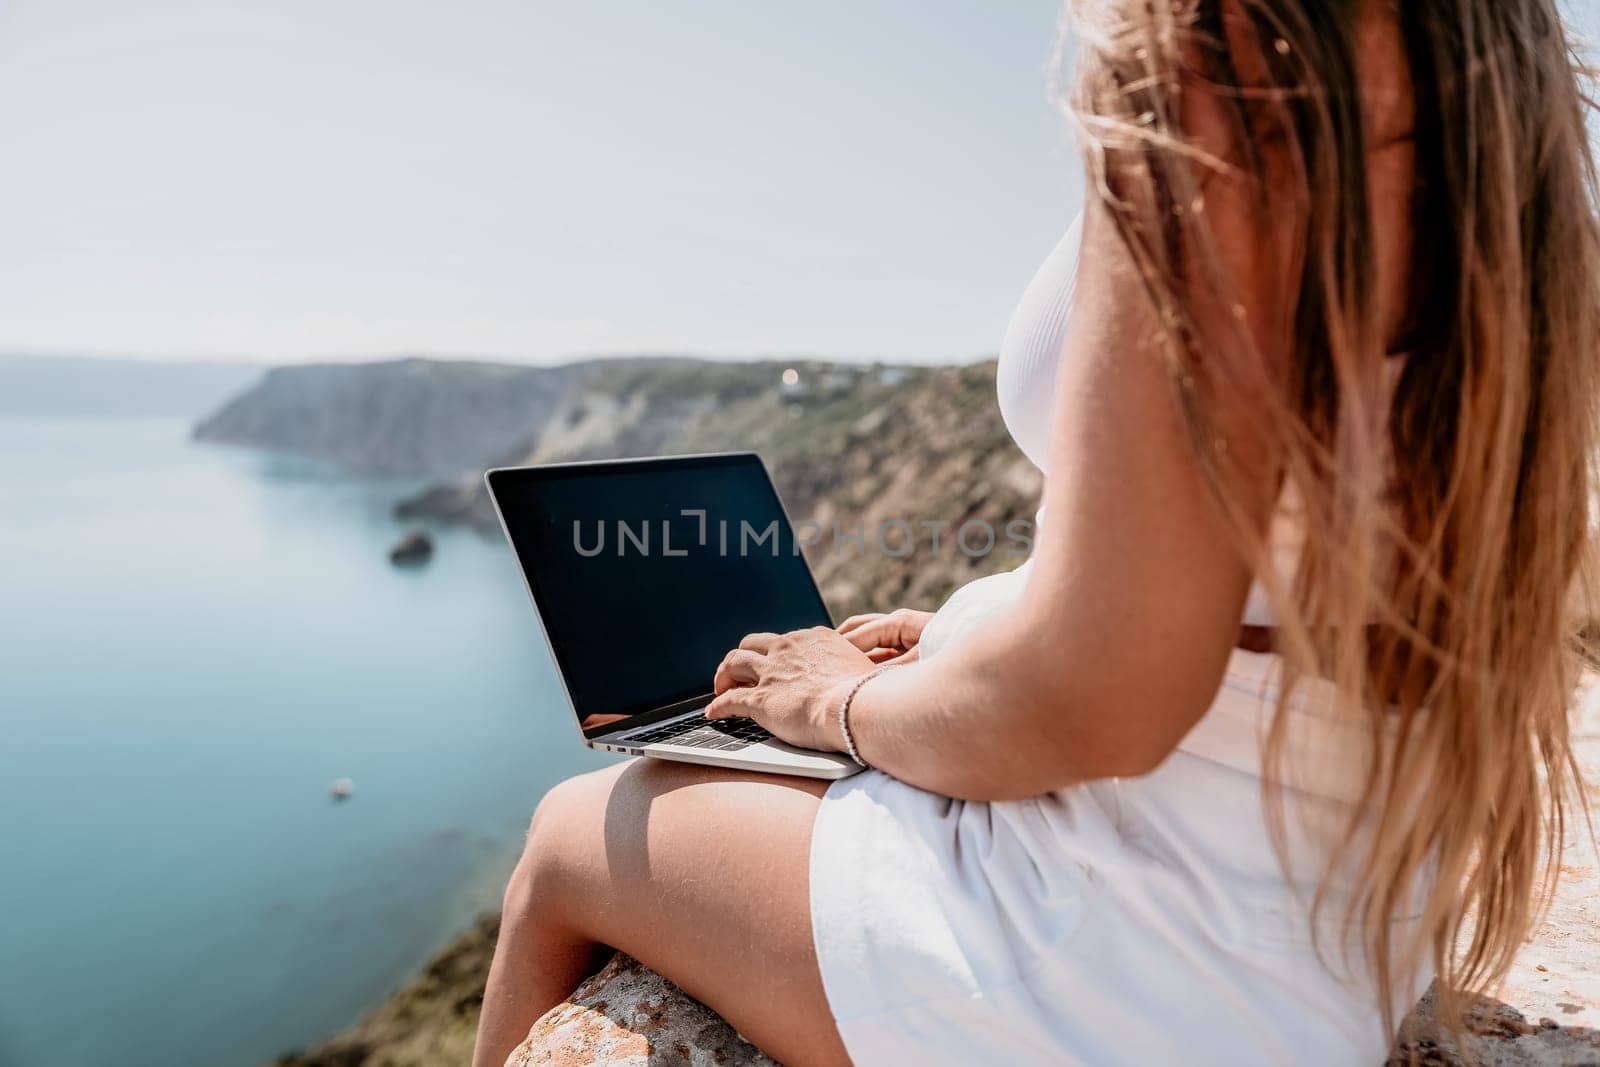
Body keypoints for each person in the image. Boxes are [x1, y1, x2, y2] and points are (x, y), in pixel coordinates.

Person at [473, 1, 1600, 1063]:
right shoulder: (1487, 69)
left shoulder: (1224, 57)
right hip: (1327, 924)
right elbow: (1298, 549)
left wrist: (838, 702)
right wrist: (989, 627)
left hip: (1133, 964)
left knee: (577, 830)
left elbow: (1096, 695)